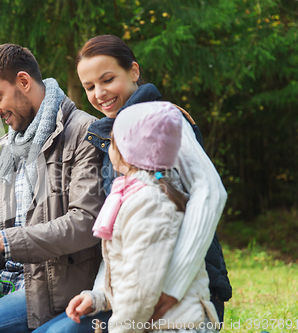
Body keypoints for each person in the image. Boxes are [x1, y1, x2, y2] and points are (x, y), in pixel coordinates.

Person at [33, 35, 230, 332]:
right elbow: (120, 239)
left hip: (185, 298)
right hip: (137, 297)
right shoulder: (112, 137)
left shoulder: (163, 123)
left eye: (107, 79)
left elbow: (210, 193)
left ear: (134, 71)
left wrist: (173, 287)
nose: (99, 93)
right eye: (89, 87)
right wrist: (98, 294)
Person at [0, 44, 105, 333]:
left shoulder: (85, 133)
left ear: (24, 82)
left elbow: (85, 223)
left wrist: (2, 241)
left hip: (56, 287)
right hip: (10, 280)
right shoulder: (15, 146)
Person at [67, 101, 220, 333]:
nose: (109, 148)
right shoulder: (134, 194)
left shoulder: (149, 203)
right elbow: (128, 268)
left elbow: (139, 290)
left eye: (113, 141)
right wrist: (98, 298)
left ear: (127, 150)